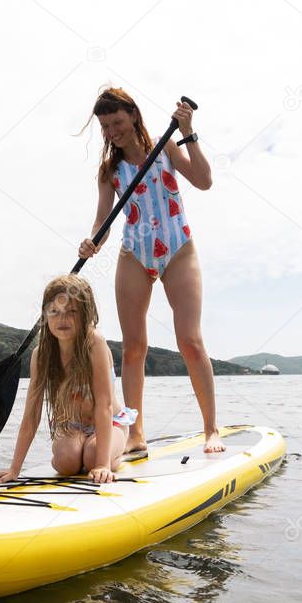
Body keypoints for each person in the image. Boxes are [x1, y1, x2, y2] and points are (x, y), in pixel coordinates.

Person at [77, 87, 224, 454]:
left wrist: (188, 133)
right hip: (135, 255)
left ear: (134, 115)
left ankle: (211, 430)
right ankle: (136, 434)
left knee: (190, 341)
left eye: (118, 122)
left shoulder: (166, 147)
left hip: (178, 249)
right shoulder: (110, 170)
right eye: (106, 126)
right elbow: (103, 220)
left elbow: (204, 181)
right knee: (132, 349)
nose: (113, 132)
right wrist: (91, 240)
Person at [0, 275, 139, 485]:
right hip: (73, 426)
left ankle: (116, 452)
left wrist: (102, 465)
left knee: (92, 458)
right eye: (54, 312)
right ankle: (84, 452)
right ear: (45, 316)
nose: (62, 319)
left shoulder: (94, 344)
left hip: (110, 423)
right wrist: (14, 469)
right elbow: (31, 415)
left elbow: (104, 406)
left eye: (72, 312)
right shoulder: (41, 355)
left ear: (85, 315)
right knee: (66, 463)